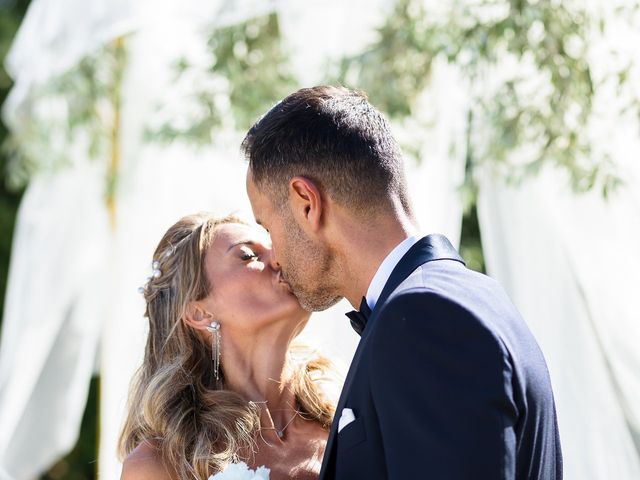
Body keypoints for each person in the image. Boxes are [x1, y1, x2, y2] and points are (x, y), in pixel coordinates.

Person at [243, 86, 563, 479]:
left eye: (267, 225)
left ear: (306, 203)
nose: (273, 255)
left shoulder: (426, 320)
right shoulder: (469, 296)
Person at [119, 213, 335, 480]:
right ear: (200, 313)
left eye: (275, 245)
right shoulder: (162, 465)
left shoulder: (350, 419)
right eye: (248, 256)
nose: (280, 258)